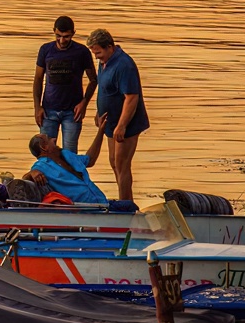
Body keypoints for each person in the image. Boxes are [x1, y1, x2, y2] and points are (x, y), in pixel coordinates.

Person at [85, 28, 150, 202]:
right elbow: (106, 88)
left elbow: (131, 98)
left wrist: (122, 125)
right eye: (94, 53)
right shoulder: (104, 62)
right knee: (114, 162)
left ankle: (126, 204)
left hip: (126, 123)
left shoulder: (124, 65)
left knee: (122, 164)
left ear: (109, 47)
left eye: (98, 52)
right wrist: (99, 110)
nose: (97, 57)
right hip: (110, 121)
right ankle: (124, 200)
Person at [33, 15, 98, 153]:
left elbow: (93, 79)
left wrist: (84, 103)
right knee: (46, 153)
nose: (62, 40)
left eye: (66, 36)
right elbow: (38, 79)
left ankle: (69, 175)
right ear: (54, 31)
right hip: (48, 111)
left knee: (70, 155)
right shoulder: (46, 50)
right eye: (58, 36)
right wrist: (37, 107)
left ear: (73, 33)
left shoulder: (82, 52)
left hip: (72, 112)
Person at [23, 123, 108, 205]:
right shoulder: (41, 166)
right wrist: (32, 173)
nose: (54, 139)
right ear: (44, 147)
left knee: (121, 206)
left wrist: (101, 131)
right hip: (84, 208)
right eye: (49, 139)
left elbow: (90, 160)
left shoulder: (66, 154)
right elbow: (24, 180)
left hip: (103, 202)